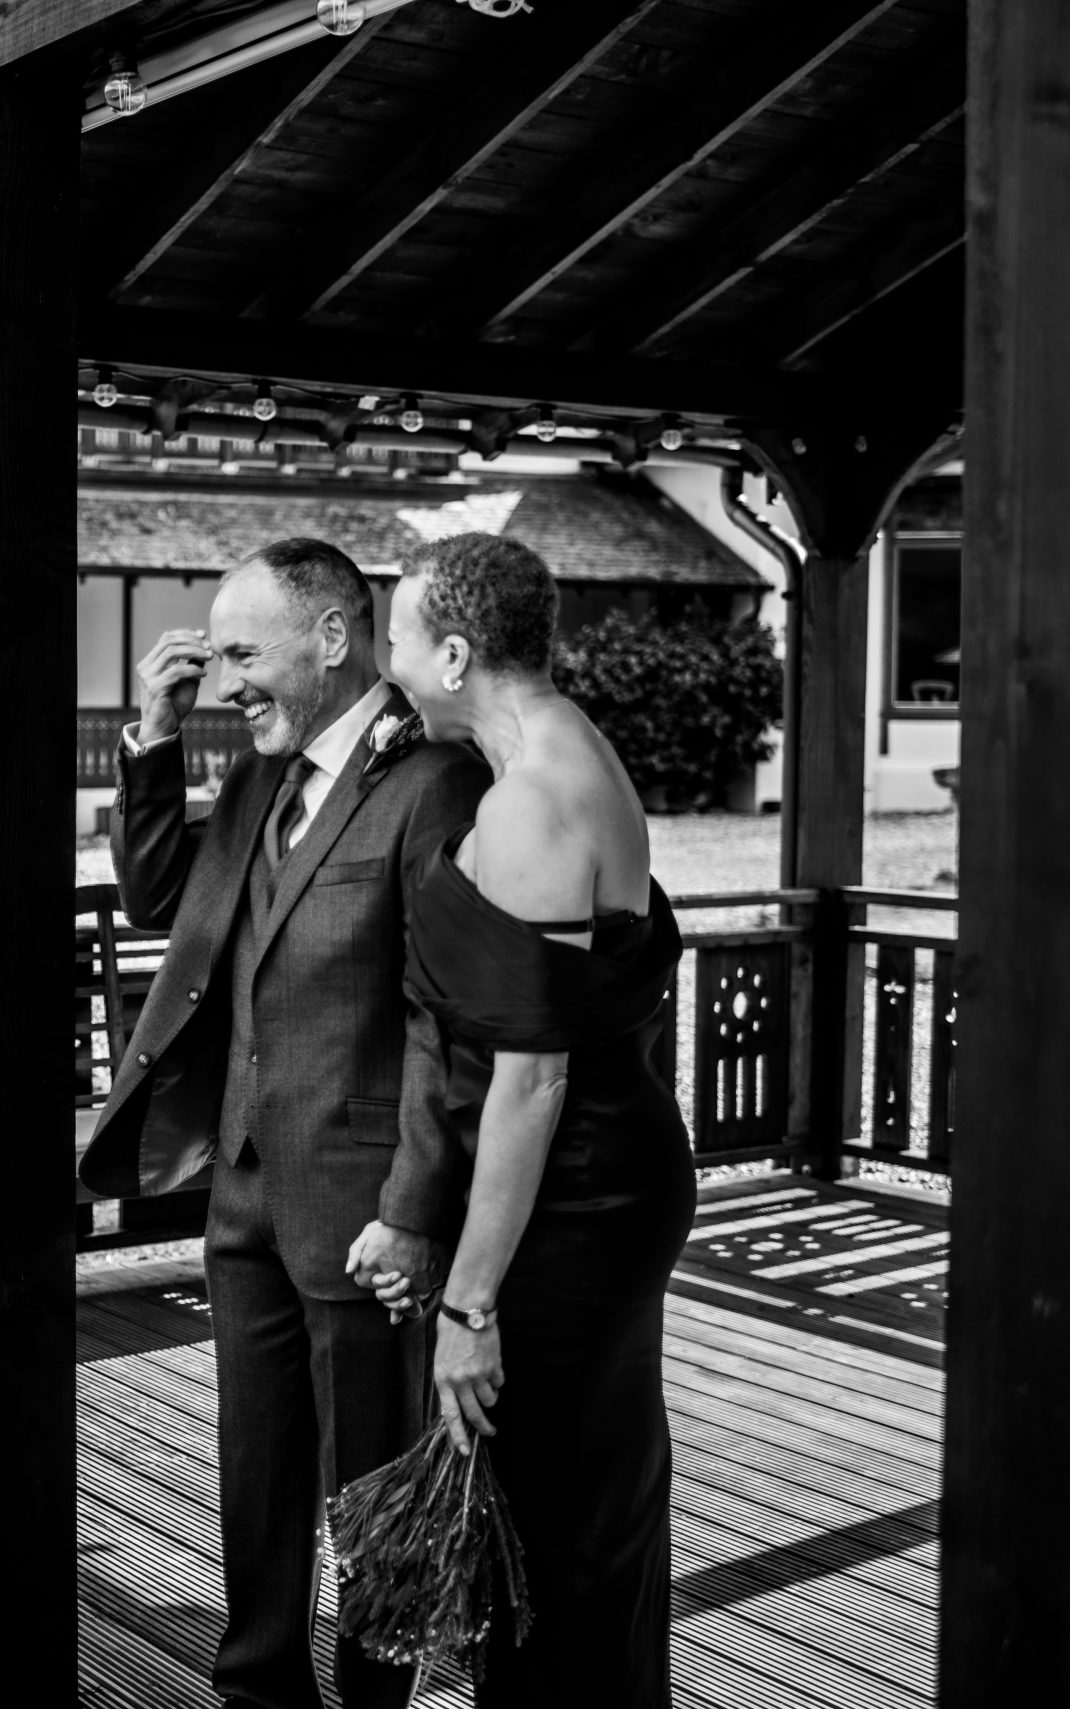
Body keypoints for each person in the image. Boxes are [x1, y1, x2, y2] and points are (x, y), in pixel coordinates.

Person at [78, 538, 486, 1709]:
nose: (226, 680)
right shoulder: (263, 775)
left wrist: (413, 1209)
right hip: (245, 1180)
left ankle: (374, 1701)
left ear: (332, 637)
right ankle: (257, 1689)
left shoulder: (435, 779)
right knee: (253, 1466)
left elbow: (445, 1020)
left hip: (364, 1204)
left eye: (243, 654)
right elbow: (160, 895)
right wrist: (153, 733)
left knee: (376, 1482)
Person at [381, 532, 694, 1705]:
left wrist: (467, 1304)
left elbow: (532, 1080)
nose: (389, 663)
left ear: (456, 654)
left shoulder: (525, 802)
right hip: (609, 1173)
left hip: (573, 1194)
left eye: (398, 639)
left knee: (554, 1520)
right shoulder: (573, 750)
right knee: (593, 1502)